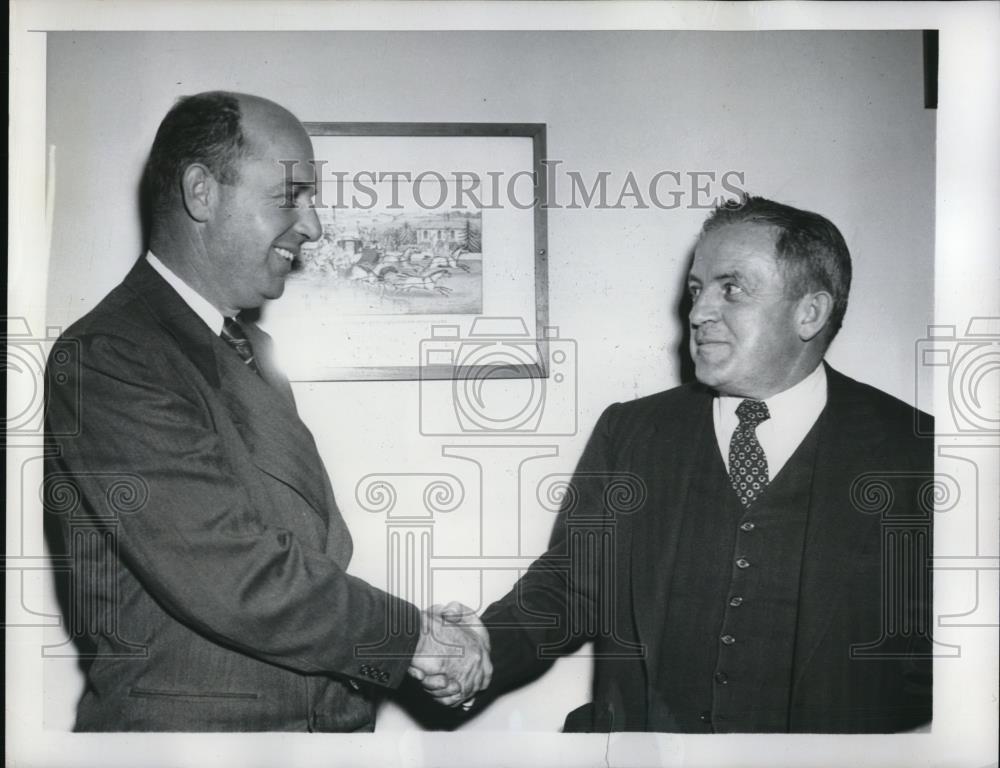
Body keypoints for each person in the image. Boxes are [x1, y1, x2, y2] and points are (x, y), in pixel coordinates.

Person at [43, 91, 490, 732]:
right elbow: (228, 569)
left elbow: (297, 552)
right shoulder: (110, 353)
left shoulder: (251, 350)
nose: (313, 226)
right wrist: (416, 639)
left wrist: (420, 642)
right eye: (290, 196)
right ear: (202, 192)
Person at [418, 196, 933, 733]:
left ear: (810, 312)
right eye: (696, 289)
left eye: (731, 288)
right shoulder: (632, 431)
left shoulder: (917, 452)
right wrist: (481, 645)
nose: (699, 311)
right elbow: (572, 584)